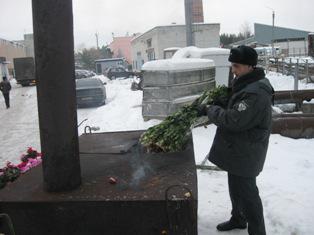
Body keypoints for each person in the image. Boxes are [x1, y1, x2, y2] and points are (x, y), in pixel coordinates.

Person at [199, 45, 274, 235]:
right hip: (238, 148)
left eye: (237, 66)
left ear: (250, 66)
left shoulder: (256, 93)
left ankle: (258, 232)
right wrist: (221, 101)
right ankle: (238, 218)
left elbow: (234, 120)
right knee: (235, 186)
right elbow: (235, 102)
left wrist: (210, 110)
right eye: (232, 65)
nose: (233, 70)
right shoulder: (245, 82)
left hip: (247, 150)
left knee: (248, 195)